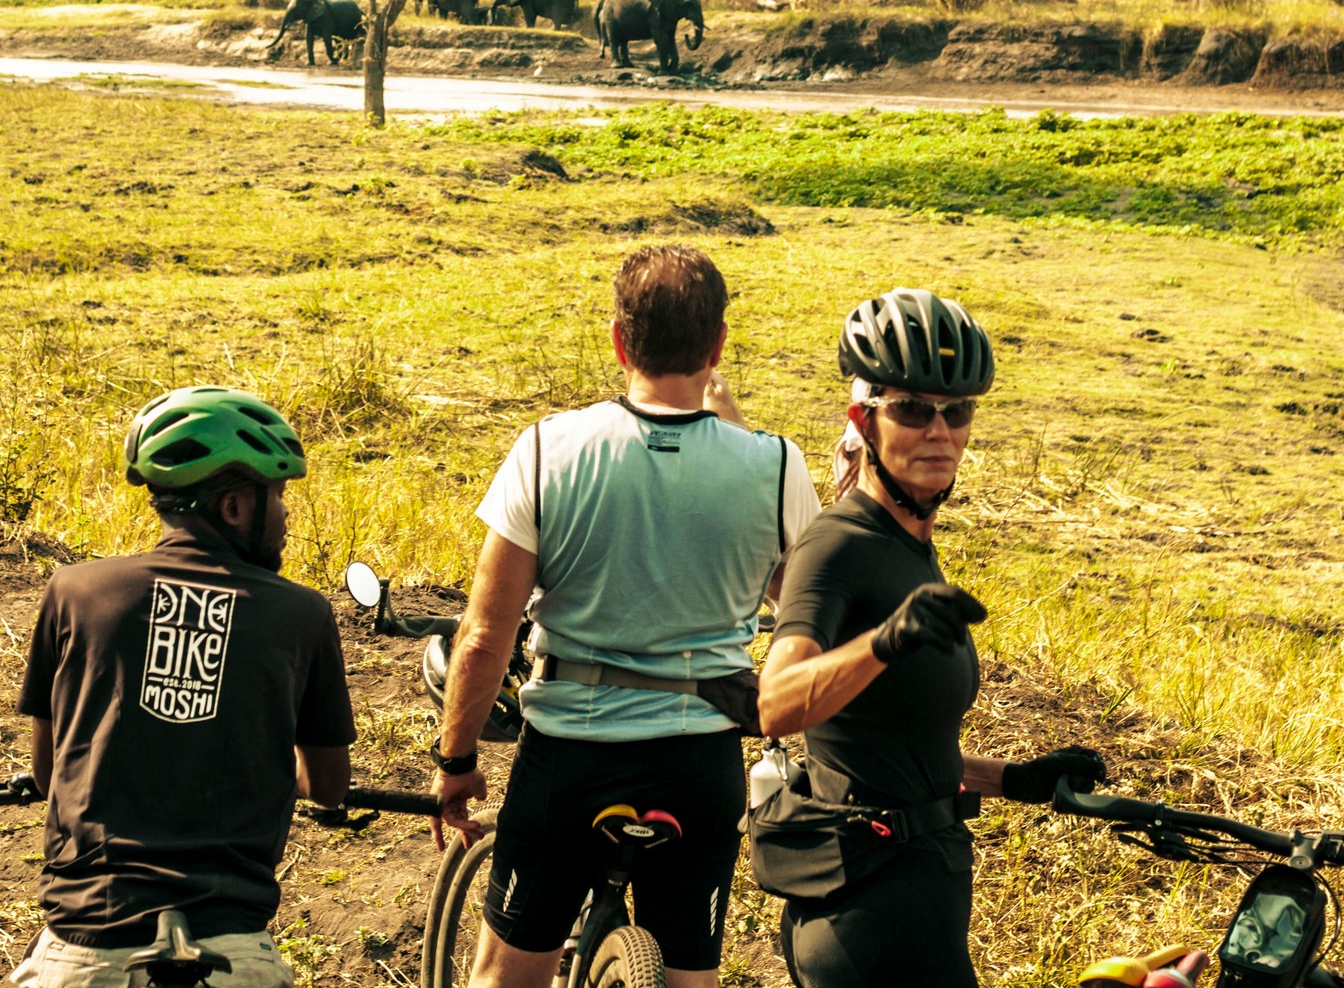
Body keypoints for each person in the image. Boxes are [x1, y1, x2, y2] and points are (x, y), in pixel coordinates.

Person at [435, 244, 819, 988]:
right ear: (718, 346)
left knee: (503, 977)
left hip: (570, 759)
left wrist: (456, 762)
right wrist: (737, 437)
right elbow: (801, 605)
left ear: (618, 341)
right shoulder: (775, 466)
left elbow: (486, 634)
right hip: (700, 763)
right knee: (688, 979)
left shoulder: (548, 448)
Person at [756, 289, 1108, 988]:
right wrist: (884, 641)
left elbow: (892, 748)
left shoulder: (909, 545)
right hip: (868, 915)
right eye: (913, 411)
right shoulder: (839, 546)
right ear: (865, 420)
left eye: (958, 412)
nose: (938, 432)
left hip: (920, 888)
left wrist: (1013, 780)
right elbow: (776, 702)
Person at [13, 386, 353, 988]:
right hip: (229, 950)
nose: (286, 515)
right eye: (277, 496)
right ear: (232, 507)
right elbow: (326, 787)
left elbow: (48, 772)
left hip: (88, 946)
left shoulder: (74, 592)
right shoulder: (302, 615)